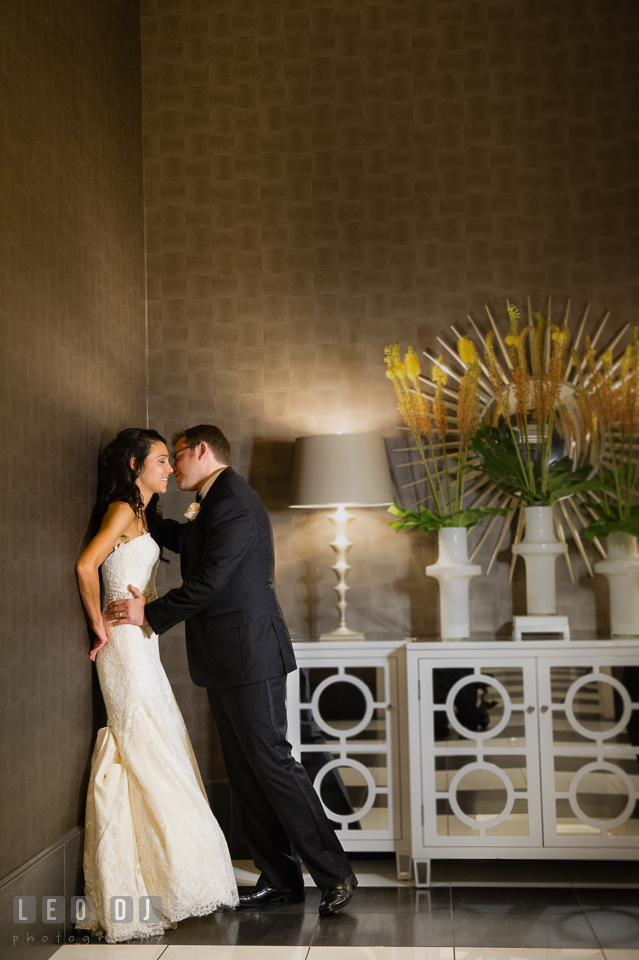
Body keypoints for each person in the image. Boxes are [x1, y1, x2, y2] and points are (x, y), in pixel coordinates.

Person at [104, 424, 357, 917]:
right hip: (225, 658)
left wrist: (149, 615)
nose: (174, 467)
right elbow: (184, 537)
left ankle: (335, 872)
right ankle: (280, 878)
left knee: (274, 764)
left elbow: (212, 582)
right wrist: (142, 504)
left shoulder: (235, 501)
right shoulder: (212, 499)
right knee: (245, 771)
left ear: (202, 450)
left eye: (177, 456)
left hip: (252, 656)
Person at [76, 428, 238, 943]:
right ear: (134, 464)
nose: (170, 469)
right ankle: (140, 883)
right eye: (162, 461)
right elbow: (86, 565)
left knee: (159, 741)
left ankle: (165, 875)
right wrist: (99, 626)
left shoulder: (145, 515)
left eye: (173, 460)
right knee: (142, 744)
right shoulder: (122, 511)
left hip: (143, 642)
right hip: (123, 648)